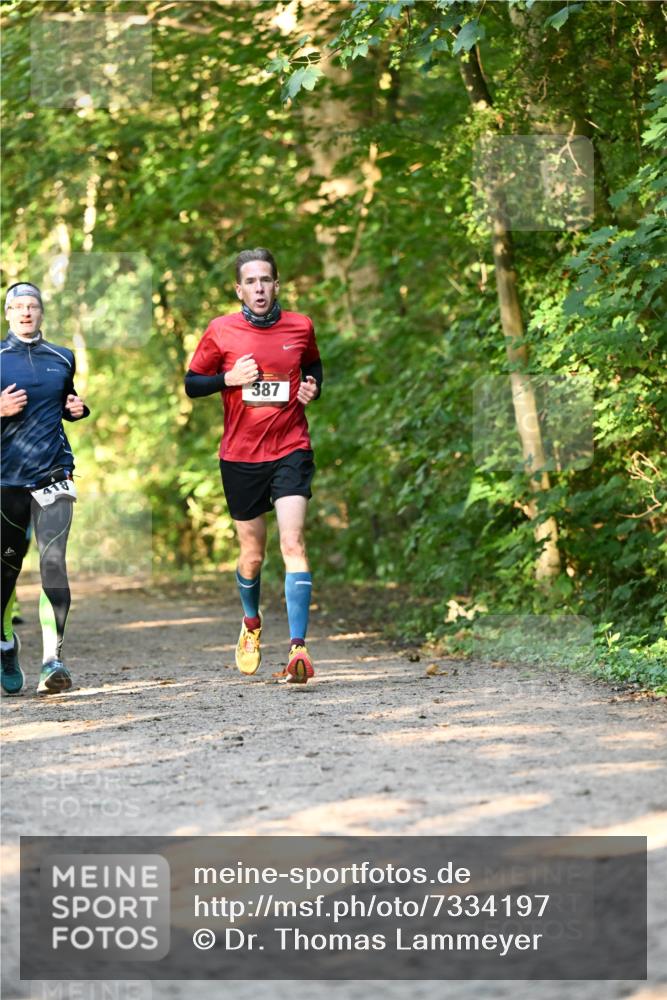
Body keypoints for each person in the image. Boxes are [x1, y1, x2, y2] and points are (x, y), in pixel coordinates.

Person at [185, 248, 322, 683]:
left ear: (276, 285)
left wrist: (313, 388)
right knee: (253, 555)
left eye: (266, 280)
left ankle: (298, 648)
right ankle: (250, 622)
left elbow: (312, 366)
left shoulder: (300, 326)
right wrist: (227, 379)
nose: (259, 288)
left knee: (293, 543)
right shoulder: (220, 330)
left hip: (291, 448)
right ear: (239, 290)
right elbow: (192, 384)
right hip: (240, 456)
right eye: (251, 282)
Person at [0, 282, 90, 695]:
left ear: (41, 312)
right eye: (18, 306)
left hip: (54, 473)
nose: (25, 312)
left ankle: (53, 660)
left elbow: (66, 401)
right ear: (7, 313)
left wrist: (77, 409)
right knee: (6, 569)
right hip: (6, 480)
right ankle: (6, 643)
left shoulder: (62, 357)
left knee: (53, 562)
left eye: (32, 305)